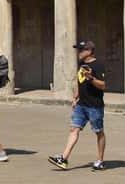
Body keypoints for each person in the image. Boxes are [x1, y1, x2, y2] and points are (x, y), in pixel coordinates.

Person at [48, 40, 107, 171]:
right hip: (81, 105)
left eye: (81, 50)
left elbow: (102, 85)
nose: (78, 53)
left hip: (95, 106)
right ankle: (63, 158)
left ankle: (100, 160)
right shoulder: (81, 63)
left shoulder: (98, 65)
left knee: (99, 132)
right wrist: (75, 97)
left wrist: (91, 78)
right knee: (74, 129)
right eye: (78, 50)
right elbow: (79, 81)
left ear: (90, 51)